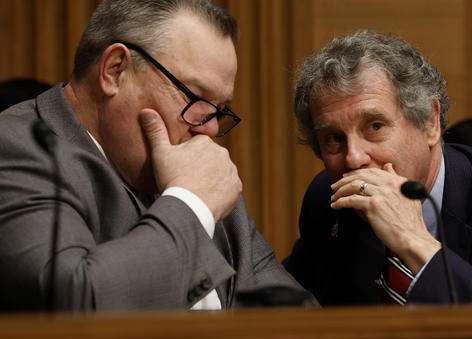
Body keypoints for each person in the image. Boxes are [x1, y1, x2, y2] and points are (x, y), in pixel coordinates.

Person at [0, 0, 312, 311]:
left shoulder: (199, 176)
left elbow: (301, 320)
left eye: (218, 109)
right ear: (115, 70)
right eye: (196, 97)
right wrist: (191, 204)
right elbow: (76, 302)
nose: (210, 129)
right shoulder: (15, 148)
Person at [283, 30, 472, 305]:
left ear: (430, 123)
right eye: (334, 139)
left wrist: (414, 242)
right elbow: (288, 304)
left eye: (375, 126)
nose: (354, 158)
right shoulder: (329, 198)